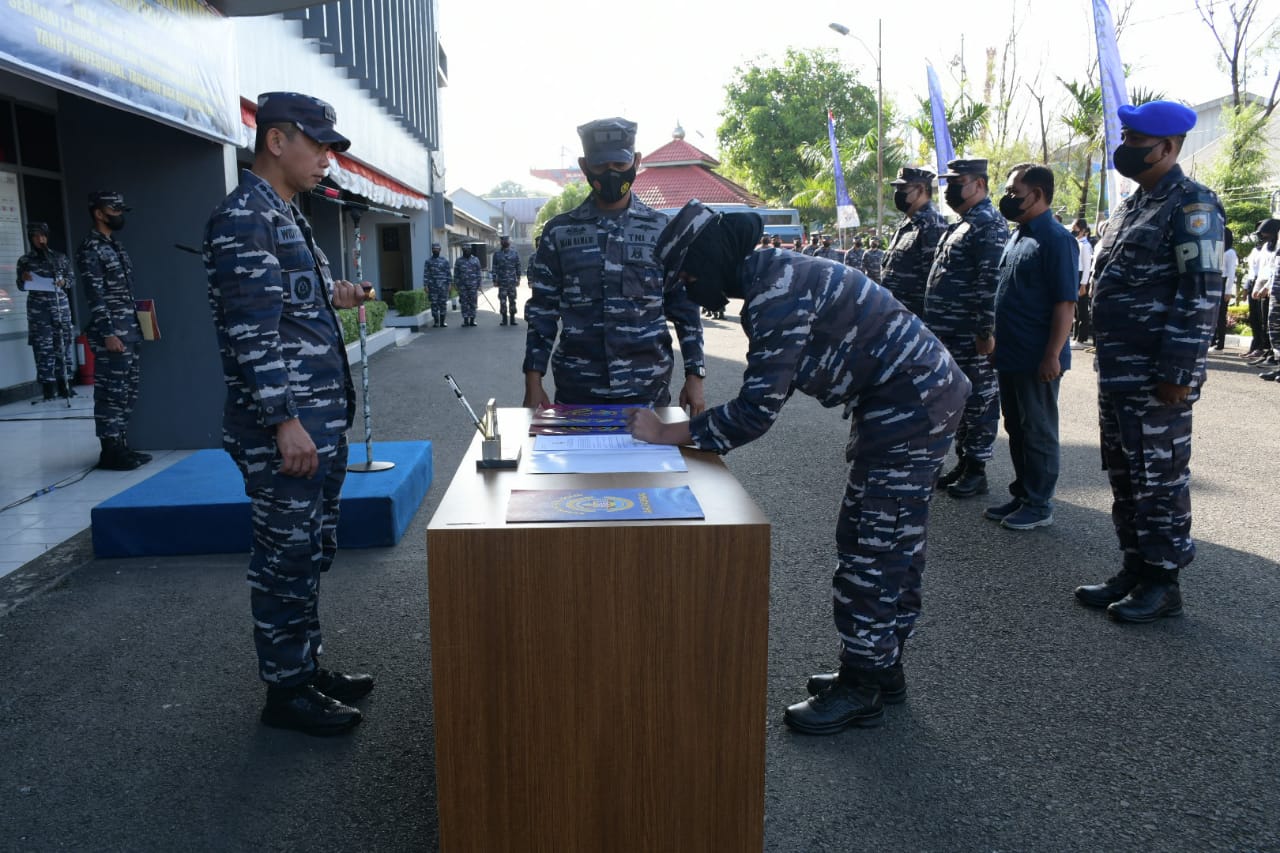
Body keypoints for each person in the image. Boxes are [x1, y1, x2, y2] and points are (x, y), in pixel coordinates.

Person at [631, 200, 968, 735]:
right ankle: (882, 668)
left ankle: (863, 686)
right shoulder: (771, 276)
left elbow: (755, 411)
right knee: (894, 537)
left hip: (911, 404)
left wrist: (667, 432)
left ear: (711, 258)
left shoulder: (776, 294)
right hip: (910, 398)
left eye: (689, 273)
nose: (689, 285)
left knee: (871, 540)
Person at [204, 91, 371, 735]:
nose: (328, 157)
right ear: (277, 141)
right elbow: (253, 332)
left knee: (309, 551)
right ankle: (286, 693)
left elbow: (292, 301)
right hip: (287, 430)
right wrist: (283, 421)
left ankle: (305, 667)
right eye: (319, 144)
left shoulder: (285, 214)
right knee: (284, 559)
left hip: (315, 423)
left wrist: (338, 294)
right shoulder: (245, 216)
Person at [1073, 100, 1225, 623]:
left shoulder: (1192, 206)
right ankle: (1135, 567)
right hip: (1118, 370)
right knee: (1124, 473)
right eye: (1126, 136)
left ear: (1167, 147)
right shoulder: (1133, 206)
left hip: (1157, 377)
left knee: (1159, 477)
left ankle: (1164, 583)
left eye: (1136, 140)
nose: (1126, 147)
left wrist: (1178, 374)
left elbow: (1201, 292)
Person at [522, 117, 706, 410]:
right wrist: (533, 382)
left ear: (635, 161)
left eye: (620, 166)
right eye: (600, 167)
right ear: (584, 167)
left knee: (651, 458)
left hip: (648, 388)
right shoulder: (559, 232)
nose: (611, 174)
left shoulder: (663, 230)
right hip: (578, 388)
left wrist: (695, 375)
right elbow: (542, 311)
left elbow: (684, 306)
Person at [983, 163, 1078, 530]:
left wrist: (1052, 354)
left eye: (1012, 192)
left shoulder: (1056, 239)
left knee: (1038, 430)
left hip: (1038, 356)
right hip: (1012, 352)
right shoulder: (1019, 235)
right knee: (1018, 428)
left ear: (1036, 194)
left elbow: (1065, 303)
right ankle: (1023, 492)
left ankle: (1040, 504)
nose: (1007, 198)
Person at [924, 158, 1009, 498]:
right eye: (948, 182)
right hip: (948, 333)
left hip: (970, 335)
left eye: (957, 182)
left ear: (979, 184)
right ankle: (963, 462)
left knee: (979, 401)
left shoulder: (988, 224)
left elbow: (990, 283)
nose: (949, 188)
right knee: (958, 398)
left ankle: (977, 469)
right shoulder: (963, 223)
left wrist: (985, 332)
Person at [77, 190, 150, 471]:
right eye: (114, 210)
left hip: (128, 330)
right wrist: (108, 332)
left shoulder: (114, 246)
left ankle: (120, 445)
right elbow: (94, 295)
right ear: (99, 213)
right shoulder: (90, 249)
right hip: (112, 334)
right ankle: (109, 450)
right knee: (110, 393)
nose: (119, 215)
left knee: (127, 392)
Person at [16, 221, 76, 403]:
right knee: (43, 349)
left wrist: (63, 283)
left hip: (60, 308)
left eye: (42, 235)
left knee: (63, 346)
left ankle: (66, 385)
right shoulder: (25, 261)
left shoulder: (58, 257)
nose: (39, 239)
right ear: (31, 239)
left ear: (47, 237)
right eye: (35, 236)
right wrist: (23, 279)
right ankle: (48, 389)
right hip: (38, 311)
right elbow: (20, 286)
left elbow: (71, 279)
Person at [880, 167, 947, 318]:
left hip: (916, 320)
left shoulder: (931, 224)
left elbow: (936, 283)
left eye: (903, 188)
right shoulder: (907, 223)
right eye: (897, 188)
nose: (898, 193)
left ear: (921, 189)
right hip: (896, 316)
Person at [1245, 220, 1278, 361]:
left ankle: (1272, 353)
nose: (1262, 236)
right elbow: (1265, 268)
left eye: (1265, 233)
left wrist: (1268, 287)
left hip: (1273, 286)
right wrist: (1258, 287)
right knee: (1267, 321)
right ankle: (1270, 352)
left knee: (1274, 323)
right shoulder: (1266, 247)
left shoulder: (1278, 246)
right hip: (1265, 285)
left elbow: (1275, 271)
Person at [1211, 228, 1237, 351]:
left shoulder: (1230, 252)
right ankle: (1212, 340)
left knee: (1221, 315)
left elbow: (1231, 272)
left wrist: (1228, 291)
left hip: (1224, 281)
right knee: (1213, 314)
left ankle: (1220, 342)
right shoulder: (1218, 248)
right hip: (1215, 281)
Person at [1070, 218, 1094, 347]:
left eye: (1075, 228)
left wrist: (1083, 284)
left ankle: (1082, 338)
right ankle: (1075, 335)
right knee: (1075, 309)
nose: (1073, 230)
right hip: (1074, 276)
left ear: (1082, 230)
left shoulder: (1085, 245)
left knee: (1082, 309)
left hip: (1081, 278)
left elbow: (1087, 266)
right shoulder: (1075, 242)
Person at [492, 235, 521, 326]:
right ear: (501, 242)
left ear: (509, 242)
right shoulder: (497, 254)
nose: (505, 242)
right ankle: (504, 319)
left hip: (512, 281)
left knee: (512, 300)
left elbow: (518, 266)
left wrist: (518, 278)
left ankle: (512, 319)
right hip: (502, 282)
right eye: (503, 241)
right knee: (502, 301)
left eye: (506, 240)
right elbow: (494, 268)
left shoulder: (514, 253)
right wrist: (494, 280)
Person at [423, 242, 451, 327]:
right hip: (433, 287)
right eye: (434, 249)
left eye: (437, 249)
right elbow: (426, 274)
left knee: (443, 304)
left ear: (440, 250)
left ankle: (442, 322)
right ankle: (436, 321)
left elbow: (448, 273)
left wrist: (449, 284)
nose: (436, 250)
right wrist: (425, 285)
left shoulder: (444, 261)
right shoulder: (428, 261)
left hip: (443, 287)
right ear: (432, 250)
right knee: (434, 304)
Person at [453, 244, 481, 327]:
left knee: (473, 303)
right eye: (464, 249)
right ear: (462, 250)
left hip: (473, 285)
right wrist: (456, 284)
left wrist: (479, 284)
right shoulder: (459, 261)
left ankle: (472, 320)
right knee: (464, 303)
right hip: (463, 286)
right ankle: (465, 320)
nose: (466, 251)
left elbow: (478, 273)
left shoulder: (476, 260)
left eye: (468, 249)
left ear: (470, 250)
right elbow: (456, 274)